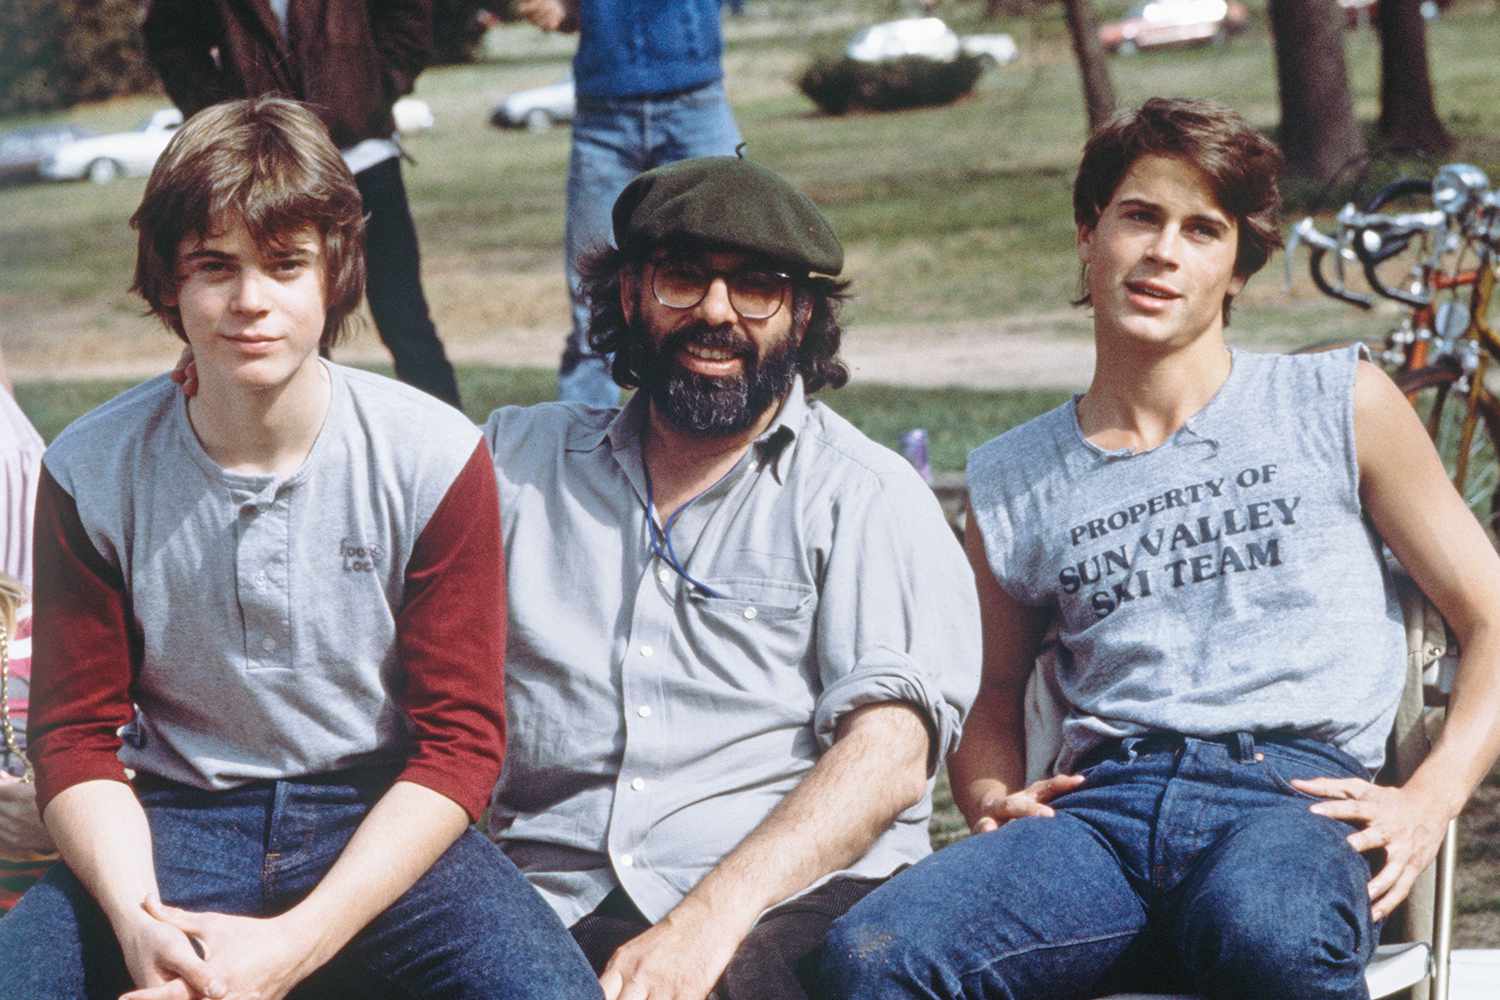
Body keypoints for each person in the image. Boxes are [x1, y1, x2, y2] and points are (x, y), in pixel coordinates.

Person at [821, 97, 1500, 999]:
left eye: (1202, 230)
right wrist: (989, 795)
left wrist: (1430, 800)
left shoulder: (1337, 402)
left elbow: (1490, 616)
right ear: (1088, 234)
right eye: (1139, 216)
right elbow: (987, 689)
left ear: (1236, 268)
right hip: (1099, 813)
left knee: (1265, 933)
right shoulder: (1013, 475)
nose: (1163, 253)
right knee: (873, 956)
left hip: (1292, 800)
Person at [0, 97, 599, 1000]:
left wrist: (292, 948)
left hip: (376, 812)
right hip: (174, 817)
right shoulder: (91, 467)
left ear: (336, 276)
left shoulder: (431, 455)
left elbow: (461, 743)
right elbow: (76, 739)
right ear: (169, 282)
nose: (250, 301)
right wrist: (138, 922)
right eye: (215, 266)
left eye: (286, 266)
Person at [482, 155, 981, 1000]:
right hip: (548, 899)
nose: (716, 313)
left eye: (756, 286)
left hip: (785, 901)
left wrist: (707, 920)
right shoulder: (516, 462)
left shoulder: (862, 493)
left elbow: (892, 754)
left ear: (803, 313)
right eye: (684, 278)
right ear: (632, 293)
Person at [143, 0, 464, 407]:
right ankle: (307, 449)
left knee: (406, 318)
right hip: (269, 171)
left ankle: (450, 442)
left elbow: (408, 18)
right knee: (289, 317)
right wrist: (229, 117)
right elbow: (170, 39)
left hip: (365, 152)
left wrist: (373, 90)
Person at [514, 0, 743, 408]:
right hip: (604, 116)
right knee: (593, 299)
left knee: (731, 274)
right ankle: (578, 454)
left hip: (696, 105)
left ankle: (725, 425)